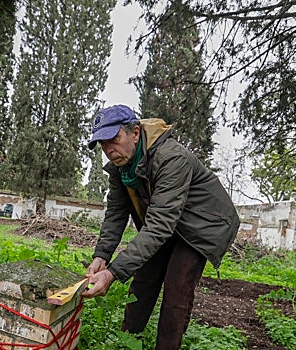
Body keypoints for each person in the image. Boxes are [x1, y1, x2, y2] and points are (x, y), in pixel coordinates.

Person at [81, 104, 239, 349]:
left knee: (177, 286)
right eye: (102, 145)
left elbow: (159, 226)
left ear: (134, 133)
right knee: (143, 277)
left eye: (113, 139)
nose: (109, 150)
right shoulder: (120, 167)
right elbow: (116, 212)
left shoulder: (171, 158)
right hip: (167, 221)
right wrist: (102, 256)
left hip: (202, 224)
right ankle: (127, 341)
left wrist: (112, 273)